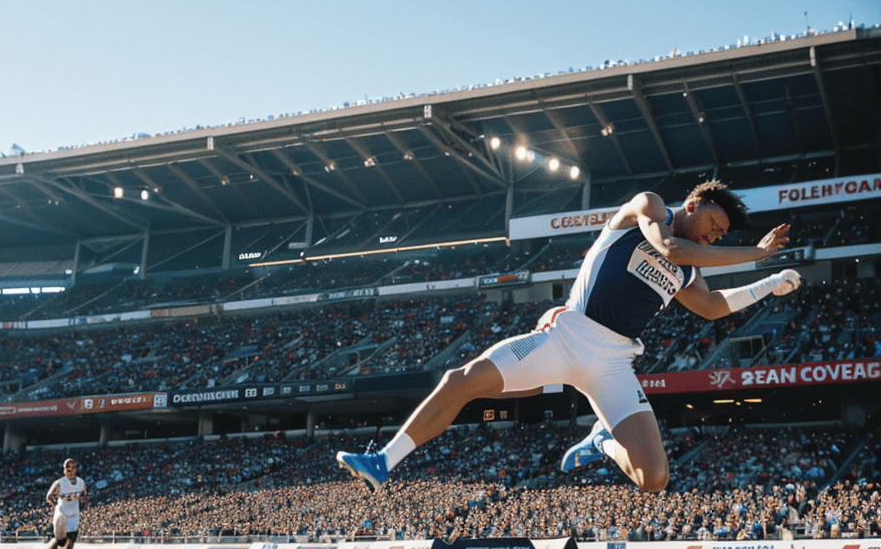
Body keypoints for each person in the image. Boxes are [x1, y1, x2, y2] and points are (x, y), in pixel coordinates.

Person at [338, 180, 801, 493]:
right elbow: (668, 246)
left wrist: (768, 283)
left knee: (654, 478)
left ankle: (601, 441)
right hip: (564, 340)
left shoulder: (692, 271)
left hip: (613, 366)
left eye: (720, 237)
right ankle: (383, 462)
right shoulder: (650, 208)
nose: (714, 238)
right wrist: (756, 255)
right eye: (714, 227)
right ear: (695, 205)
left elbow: (713, 307)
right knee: (462, 380)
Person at [40, 458, 87, 549]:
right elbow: (48, 496)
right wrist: (55, 501)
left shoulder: (81, 482)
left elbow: (84, 495)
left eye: (72, 468)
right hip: (61, 512)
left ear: (75, 468)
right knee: (59, 540)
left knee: (72, 539)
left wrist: (80, 498)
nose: (69, 471)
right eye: (67, 468)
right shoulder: (60, 483)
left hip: (74, 513)